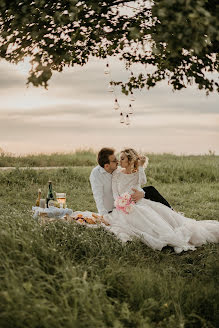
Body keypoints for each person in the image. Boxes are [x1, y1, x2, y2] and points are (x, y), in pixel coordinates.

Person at [101, 148, 219, 253]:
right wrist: (120, 203)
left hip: (139, 203)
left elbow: (143, 181)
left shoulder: (136, 174)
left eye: (122, 159)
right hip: (123, 206)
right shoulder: (117, 173)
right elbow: (115, 191)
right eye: (119, 159)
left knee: (152, 219)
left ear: (130, 161)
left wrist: (141, 166)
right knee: (129, 219)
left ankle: (168, 234)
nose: (119, 161)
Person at [89, 147, 172, 217]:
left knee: (150, 190)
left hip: (132, 201)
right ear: (107, 166)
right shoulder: (96, 174)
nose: (118, 162)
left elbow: (140, 181)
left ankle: (171, 211)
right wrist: (104, 216)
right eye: (115, 161)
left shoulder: (117, 169)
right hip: (114, 207)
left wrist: (142, 193)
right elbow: (98, 197)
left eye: (119, 159)